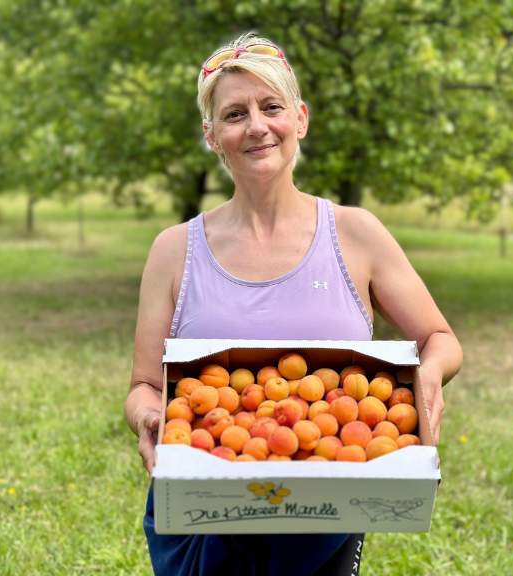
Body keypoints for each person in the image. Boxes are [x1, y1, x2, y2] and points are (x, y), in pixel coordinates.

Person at [124, 32, 463, 576]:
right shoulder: (173, 251)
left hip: (322, 513)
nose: (257, 126)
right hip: (206, 507)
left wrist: (428, 378)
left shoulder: (356, 235)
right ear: (213, 136)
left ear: (299, 119)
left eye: (271, 107)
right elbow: (145, 384)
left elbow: (440, 339)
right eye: (235, 114)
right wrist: (147, 415)